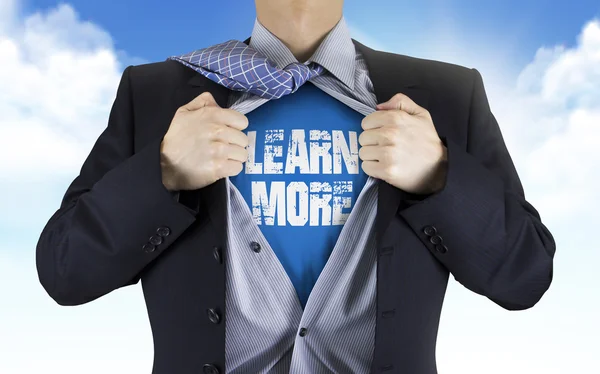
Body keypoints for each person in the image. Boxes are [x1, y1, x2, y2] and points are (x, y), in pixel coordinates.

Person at [35, 0, 556, 373]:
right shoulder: (154, 94)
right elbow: (65, 271)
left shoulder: (448, 94)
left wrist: (440, 175)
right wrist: (162, 171)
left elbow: (524, 275)